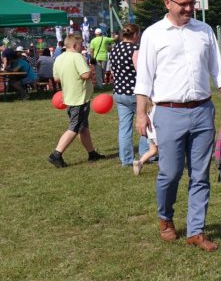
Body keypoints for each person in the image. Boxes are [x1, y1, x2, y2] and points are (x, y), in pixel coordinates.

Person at [135, 0, 221, 252]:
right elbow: (144, 78)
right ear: (168, 3)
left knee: (200, 174)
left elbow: (218, 70)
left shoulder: (204, 31)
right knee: (170, 173)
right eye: (184, 4)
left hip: (203, 111)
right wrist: (141, 113)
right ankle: (165, 217)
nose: (190, 8)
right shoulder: (153, 34)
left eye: (193, 3)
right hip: (169, 113)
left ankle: (196, 230)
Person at [48, 34, 104, 167]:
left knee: (83, 127)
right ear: (74, 45)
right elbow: (84, 75)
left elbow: (56, 78)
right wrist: (91, 72)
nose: (83, 47)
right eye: (81, 45)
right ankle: (56, 154)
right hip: (79, 97)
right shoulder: (77, 57)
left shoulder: (59, 58)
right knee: (74, 127)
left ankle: (92, 153)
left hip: (69, 96)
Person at [109, 23, 148, 167]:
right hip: (135, 93)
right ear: (136, 35)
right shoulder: (136, 49)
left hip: (119, 92)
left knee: (124, 127)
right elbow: (141, 72)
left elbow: (112, 71)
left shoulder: (114, 50)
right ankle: (146, 153)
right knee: (146, 122)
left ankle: (126, 159)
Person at [132, 101, 158, 176]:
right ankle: (164, 166)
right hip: (157, 134)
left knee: (152, 150)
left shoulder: (146, 110)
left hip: (150, 134)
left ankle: (140, 162)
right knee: (164, 150)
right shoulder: (157, 109)